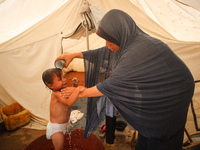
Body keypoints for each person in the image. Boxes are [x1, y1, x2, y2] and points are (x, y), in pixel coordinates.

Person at [56, 9, 195, 150]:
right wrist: (74, 55)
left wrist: (81, 92)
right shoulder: (129, 42)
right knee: (146, 128)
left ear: (119, 35)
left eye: (109, 40)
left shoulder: (137, 51)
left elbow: (112, 84)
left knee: (161, 134)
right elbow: (104, 53)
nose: (106, 44)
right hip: (160, 90)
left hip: (173, 97)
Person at [42, 68, 80, 150]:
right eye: (60, 79)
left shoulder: (62, 91)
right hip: (56, 128)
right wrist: (78, 90)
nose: (64, 80)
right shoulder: (56, 94)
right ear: (50, 85)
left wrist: (75, 86)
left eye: (63, 77)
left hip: (63, 125)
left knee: (63, 146)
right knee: (59, 148)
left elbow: (71, 96)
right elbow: (68, 103)